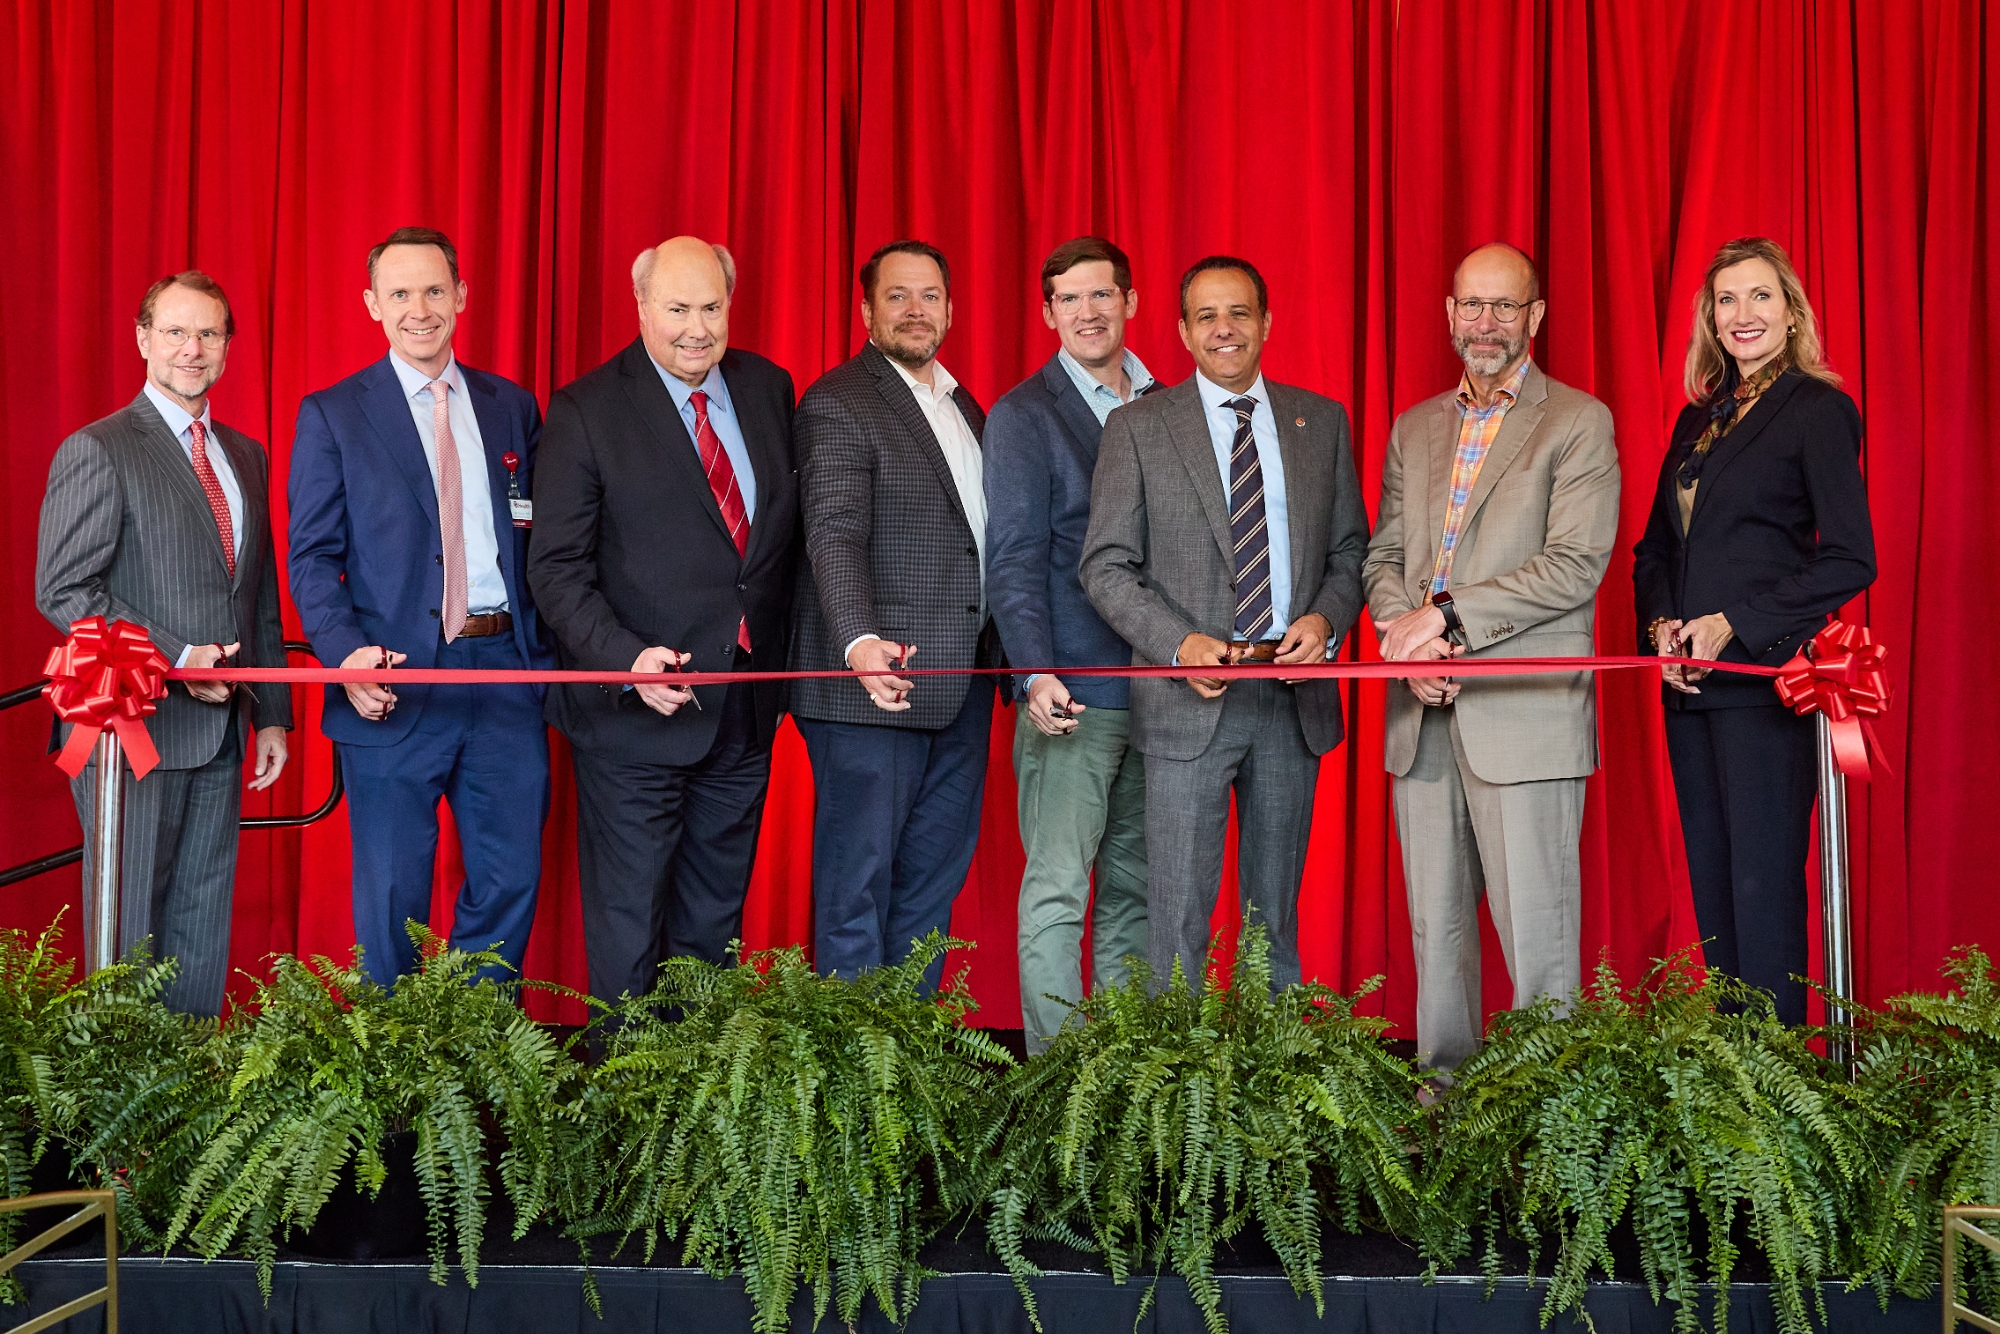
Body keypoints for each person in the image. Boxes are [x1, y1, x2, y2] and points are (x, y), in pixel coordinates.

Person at [1363, 242, 1620, 1073]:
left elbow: (1575, 564)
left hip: (1525, 717)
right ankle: (1445, 1125)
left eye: (1505, 307)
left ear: (1535, 317)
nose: (1486, 324)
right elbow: (1384, 558)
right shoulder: (1415, 427)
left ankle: (1552, 1132)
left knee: (1539, 936)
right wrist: (1406, 637)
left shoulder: (1578, 421)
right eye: (1472, 306)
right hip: (1421, 712)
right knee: (1436, 935)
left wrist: (1443, 621)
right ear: (1449, 315)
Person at [1081, 256, 1369, 990]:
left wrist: (1326, 620)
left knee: (1274, 917)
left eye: (1238, 313)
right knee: (1176, 915)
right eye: (1206, 316)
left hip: (1288, 697)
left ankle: (1269, 1085)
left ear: (1267, 323)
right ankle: (1181, 1096)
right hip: (1187, 703)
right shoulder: (1137, 427)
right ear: (1181, 331)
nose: (1224, 329)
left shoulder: (1320, 421)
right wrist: (1178, 644)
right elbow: (1104, 566)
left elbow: (1349, 550)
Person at [529, 238, 799, 1004]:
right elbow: (555, 567)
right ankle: (626, 1104)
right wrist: (625, 659)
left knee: (713, 928)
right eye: (677, 309)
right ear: (642, 306)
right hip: (634, 718)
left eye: (711, 308)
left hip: (743, 711)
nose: (696, 328)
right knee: (630, 927)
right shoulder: (586, 409)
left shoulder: (768, 388)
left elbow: (781, 550)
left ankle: (696, 1102)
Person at [288, 227, 552, 985]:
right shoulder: (333, 414)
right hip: (392, 681)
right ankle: (398, 1077)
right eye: (400, 293)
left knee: (510, 881)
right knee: (393, 895)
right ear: (372, 304)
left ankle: (471, 1064)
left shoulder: (511, 407)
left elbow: (540, 535)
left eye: (435, 290)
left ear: (462, 297)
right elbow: (312, 557)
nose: (420, 308)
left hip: (504, 673)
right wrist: (344, 656)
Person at [1633, 235, 1875, 1026]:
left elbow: (1850, 557)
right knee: (1712, 893)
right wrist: (1661, 627)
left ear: (1791, 310)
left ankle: (1777, 1101)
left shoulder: (1818, 410)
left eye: (1760, 296)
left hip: (1763, 686)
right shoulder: (1697, 419)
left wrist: (1734, 623)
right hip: (1689, 692)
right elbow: (1656, 548)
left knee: (1761, 891)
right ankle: (1734, 1084)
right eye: (1727, 300)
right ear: (1711, 316)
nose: (1743, 314)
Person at [35, 271, 291, 1015]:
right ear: (144, 339)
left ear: (228, 348)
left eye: (209, 334)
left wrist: (271, 709)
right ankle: (119, 1107)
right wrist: (179, 658)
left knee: (202, 926)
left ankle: (188, 1105)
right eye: (176, 332)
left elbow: (260, 596)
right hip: (131, 733)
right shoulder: (100, 448)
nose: (193, 348)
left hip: (223, 732)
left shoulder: (245, 454)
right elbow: (64, 589)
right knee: (127, 933)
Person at [789, 240, 999, 988]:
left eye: (930, 296)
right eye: (899, 296)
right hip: (871, 691)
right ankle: (857, 1093)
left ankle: (908, 1077)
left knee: (927, 902)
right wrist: (859, 640)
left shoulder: (961, 403)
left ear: (950, 306)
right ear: (867, 309)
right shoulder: (839, 400)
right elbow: (833, 529)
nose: (917, 311)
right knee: (857, 899)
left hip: (962, 687)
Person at [984, 237, 1155, 1052]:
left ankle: (1118, 1073)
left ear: (1130, 301)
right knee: (1058, 890)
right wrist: (1033, 672)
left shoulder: (1171, 400)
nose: (1088, 312)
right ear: (1048, 312)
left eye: (1102, 295)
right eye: (1069, 299)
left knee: (1136, 889)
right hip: (1074, 698)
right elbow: (1012, 555)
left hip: (1163, 692)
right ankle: (1058, 1082)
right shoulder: (1024, 414)